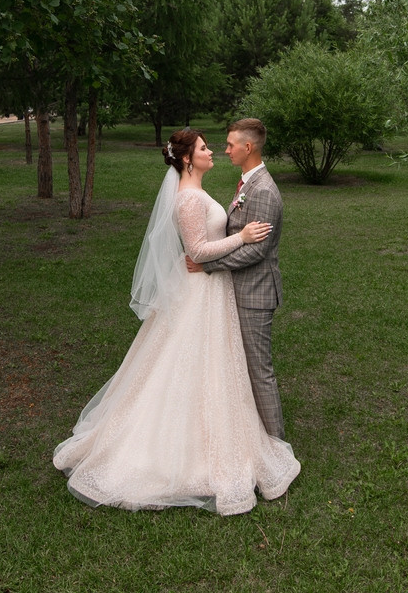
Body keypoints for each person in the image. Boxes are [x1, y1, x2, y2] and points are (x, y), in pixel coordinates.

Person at [52, 127, 300, 514]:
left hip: (212, 288)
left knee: (215, 365)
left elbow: (203, 252)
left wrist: (227, 248)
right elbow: (198, 250)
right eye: (204, 148)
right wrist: (242, 237)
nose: (213, 150)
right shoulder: (187, 198)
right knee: (190, 365)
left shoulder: (199, 191)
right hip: (201, 290)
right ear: (187, 158)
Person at [187, 118, 287, 438]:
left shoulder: (265, 191)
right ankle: (252, 437)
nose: (225, 149)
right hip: (241, 290)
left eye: (230, 145)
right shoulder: (247, 183)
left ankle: (276, 446)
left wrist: (209, 266)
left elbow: (256, 252)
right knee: (244, 370)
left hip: (256, 294)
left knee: (259, 372)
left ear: (248, 147)